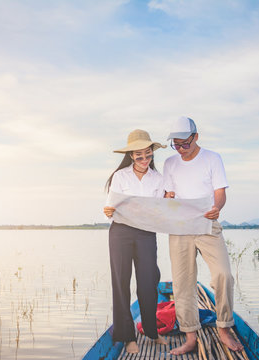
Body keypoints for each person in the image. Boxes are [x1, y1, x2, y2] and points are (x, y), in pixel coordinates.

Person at [163, 116, 244, 354]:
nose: (179, 149)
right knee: (182, 284)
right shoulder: (170, 163)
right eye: (175, 144)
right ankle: (190, 337)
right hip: (180, 228)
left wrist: (217, 208)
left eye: (183, 144)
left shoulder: (212, 158)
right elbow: (169, 194)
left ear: (195, 137)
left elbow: (220, 193)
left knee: (224, 275)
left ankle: (224, 329)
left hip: (208, 225)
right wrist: (168, 199)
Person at [103, 129, 168, 353]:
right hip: (120, 232)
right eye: (138, 156)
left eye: (147, 154)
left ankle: (151, 331)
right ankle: (127, 336)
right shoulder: (120, 177)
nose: (143, 160)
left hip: (146, 233)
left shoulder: (159, 180)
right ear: (131, 155)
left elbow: (161, 211)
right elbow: (111, 210)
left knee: (149, 281)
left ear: (152, 153)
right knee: (121, 283)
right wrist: (108, 210)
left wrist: (168, 201)